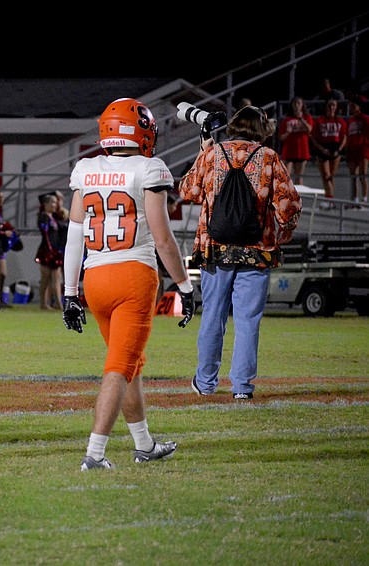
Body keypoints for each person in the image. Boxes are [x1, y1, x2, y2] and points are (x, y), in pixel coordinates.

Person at [62, 98, 194, 471]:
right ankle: (95, 453)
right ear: (142, 132)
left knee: (130, 363)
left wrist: (70, 293)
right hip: (133, 276)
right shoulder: (149, 168)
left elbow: (74, 237)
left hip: (94, 280)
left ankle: (144, 444)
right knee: (120, 365)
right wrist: (184, 286)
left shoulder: (86, 169)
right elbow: (163, 237)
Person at [179, 105, 302, 400]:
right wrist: (283, 232)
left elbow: (187, 190)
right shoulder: (268, 157)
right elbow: (288, 205)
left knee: (213, 316)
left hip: (215, 249)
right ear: (260, 129)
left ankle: (205, 382)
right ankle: (242, 387)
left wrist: (203, 151)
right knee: (248, 320)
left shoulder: (213, 154)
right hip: (256, 250)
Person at [310, 98, 348, 208]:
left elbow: (344, 137)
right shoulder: (320, 120)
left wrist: (339, 150)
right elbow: (314, 137)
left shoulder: (340, 121)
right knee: (325, 175)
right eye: (329, 105)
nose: (331, 107)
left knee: (331, 176)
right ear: (326, 107)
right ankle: (329, 199)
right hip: (323, 148)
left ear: (336, 107)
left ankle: (329, 199)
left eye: (333, 105)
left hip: (335, 148)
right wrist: (322, 149)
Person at [35, 192, 63, 310]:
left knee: (56, 278)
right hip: (47, 251)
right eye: (53, 202)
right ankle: (43, 303)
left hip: (54, 250)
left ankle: (58, 303)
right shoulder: (44, 217)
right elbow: (46, 234)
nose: (55, 205)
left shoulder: (53, 217)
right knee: (45, 279)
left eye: (55, 203)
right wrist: (50, 249)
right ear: (46, 204)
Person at [277, 96, 314, 185]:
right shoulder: (287, 119)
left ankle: (298, 194)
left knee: (299, 178)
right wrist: (288, 132)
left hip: (302, 150)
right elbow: (281, 137)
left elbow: (309, 130)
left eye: (299, 103)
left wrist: (301, 119)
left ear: (302, 105)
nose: (297, 105)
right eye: (295, 103)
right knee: (286, 177)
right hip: (289, 151)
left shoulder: (307, 117)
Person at [345, 98, 369, 206]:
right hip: (352, 150)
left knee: (362, 174)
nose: (352, 108)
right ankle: (354, 198)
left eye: (354, 106)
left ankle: (364, 197)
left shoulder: (365, 118)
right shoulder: (350, 120)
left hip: (362, 148)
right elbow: (348, 136)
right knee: (353, 175)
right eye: (351, 106)